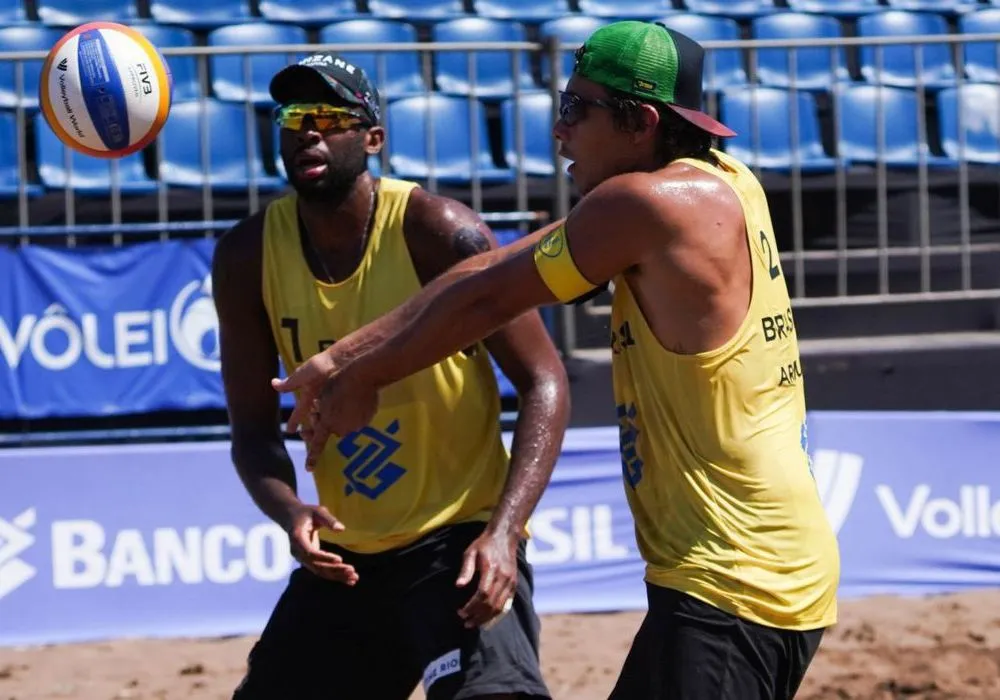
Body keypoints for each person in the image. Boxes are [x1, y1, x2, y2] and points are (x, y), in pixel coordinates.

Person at [274, 21, 842, 700]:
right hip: (738, 567)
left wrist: (362, 377)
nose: (559, 131)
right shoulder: (716, 181)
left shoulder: (647, 204)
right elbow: (489, 269)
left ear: (641, 122)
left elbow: (485, 302)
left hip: (735, 578)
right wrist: (344, 355)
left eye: (576, 108)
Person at [212, 52, 570, 700]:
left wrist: (504, 533)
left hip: (456, 545)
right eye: (294, 117)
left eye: (328, 116)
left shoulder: (437, 230)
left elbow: (545, 380)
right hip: (345, 559)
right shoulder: (246, 255)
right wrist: (290, 510)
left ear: (373, 136)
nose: (308, 131)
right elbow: (252, 432)